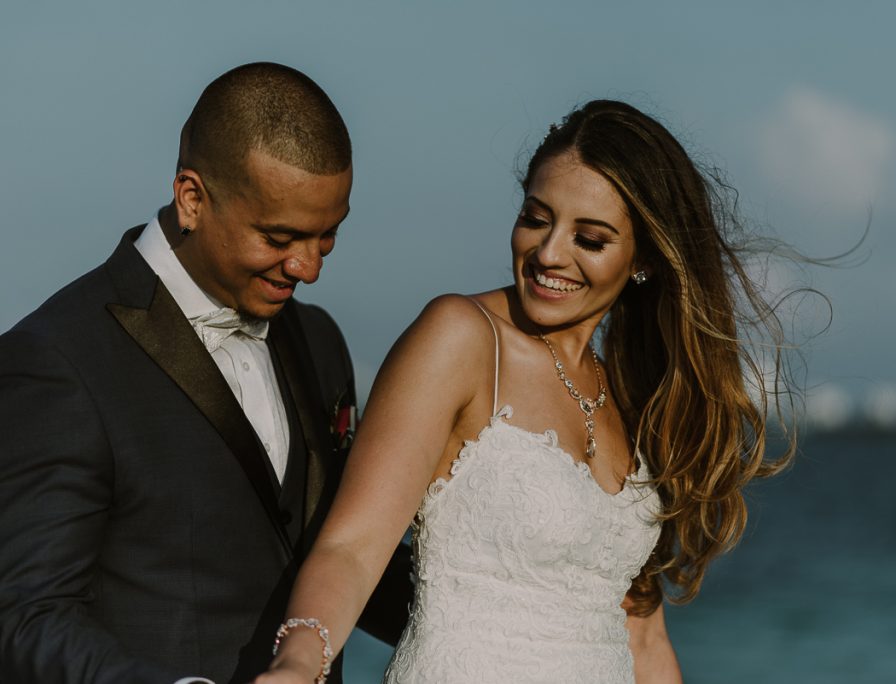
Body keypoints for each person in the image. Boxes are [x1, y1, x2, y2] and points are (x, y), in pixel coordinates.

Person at [256, 100, 796, 684]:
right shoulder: (460, 339)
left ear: (642, 258)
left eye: (589, 238)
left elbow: (642, 634)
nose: (548, 253)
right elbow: (352, 547)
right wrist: (297, 661)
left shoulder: (634, 393)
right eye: (537, 218)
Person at [0, 62, 411, 684]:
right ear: (192, 198)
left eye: (328, 236)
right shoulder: (57, 361)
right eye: (280, 237)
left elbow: (342, 551)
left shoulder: (318, 340)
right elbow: (25, 617)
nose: (308, 268)